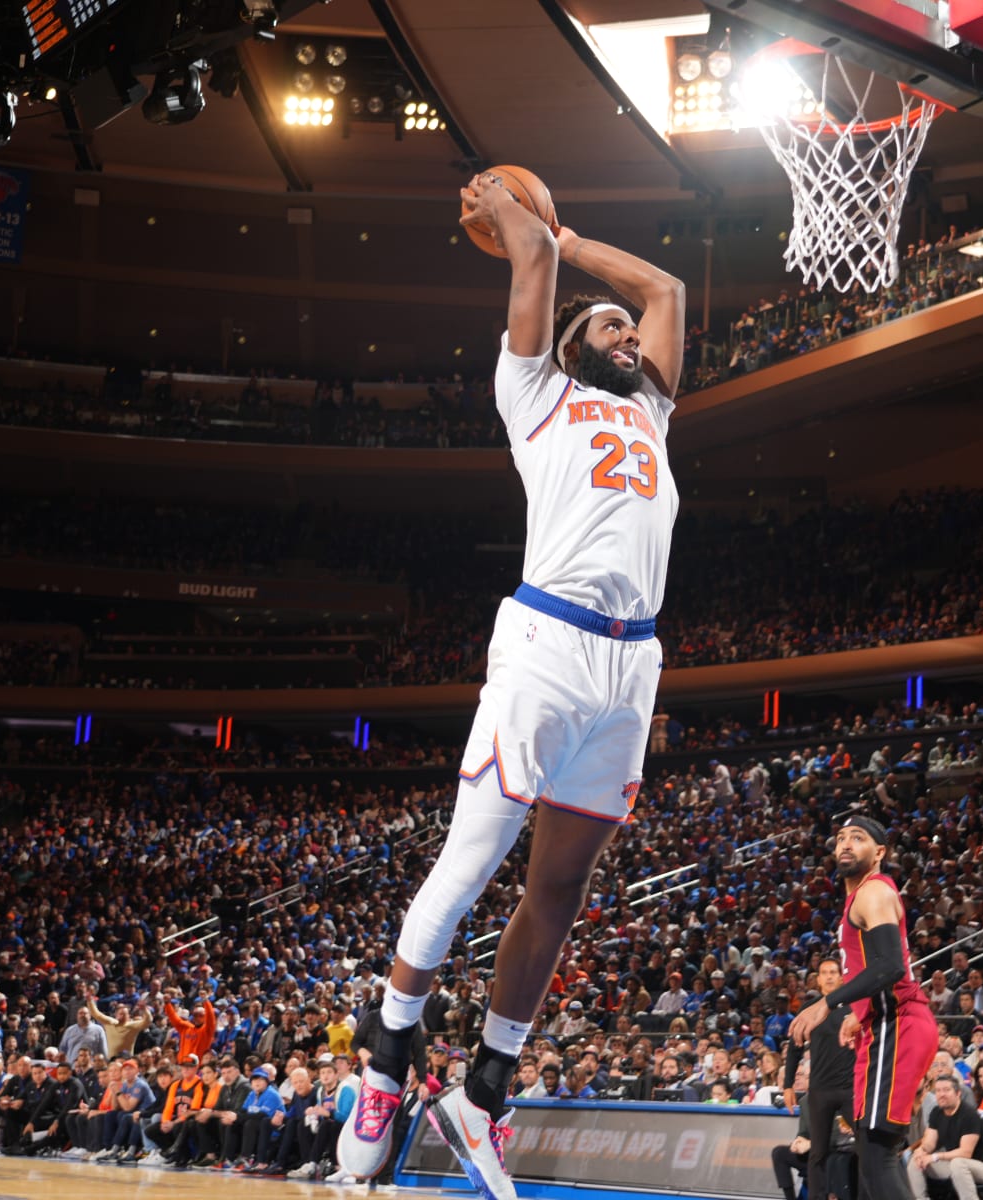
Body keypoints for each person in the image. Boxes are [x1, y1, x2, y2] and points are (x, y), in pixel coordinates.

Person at [338, 169, 687, 1200]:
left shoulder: (652, 413)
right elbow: (531, 264)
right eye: (610, 331)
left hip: (634, 662)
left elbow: (665, 288)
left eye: (632, 334)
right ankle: (387, 1056)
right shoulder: (534, 393)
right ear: (572, 346)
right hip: (548, 642)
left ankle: (484, 1092)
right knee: (473, 859)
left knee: (562, 887)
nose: (630, 336)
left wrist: (571, 232)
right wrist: (527, 226)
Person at [789, 816, 940, 1200]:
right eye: (840, 838)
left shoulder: (873, 892)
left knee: (875, 1150)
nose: (845, 844)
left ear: (879, 853)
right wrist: (859, 1013)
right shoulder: (860, 898)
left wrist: (829, 1002)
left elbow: (890, 967)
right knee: (873, 1150)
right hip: (883, 1023)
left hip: (899, 1021)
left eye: (857, 838)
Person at [784, 959, 856, 1200]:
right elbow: (794, 1048)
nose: (828, 977)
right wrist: (787, 1086)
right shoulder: (810, 1008)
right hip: (820, 1090)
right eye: (823, 973)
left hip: (851, 1088)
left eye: (833, 972)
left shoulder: (856, 1007)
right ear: (818, 978)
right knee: (818, 1153)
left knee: (867, 1148)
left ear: (842, 977)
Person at [914, 1073, 983, 1200]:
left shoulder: (969, 1115)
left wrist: (934, 1156)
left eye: (946, 1090)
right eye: (938, 1091)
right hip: (953, 1163)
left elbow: (965, 1153)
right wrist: (922, 1150)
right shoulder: (937, 1112)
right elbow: (930, 1142)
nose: (941, 1094)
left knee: (958, 1164)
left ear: (958, 1093)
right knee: (916, 1160)